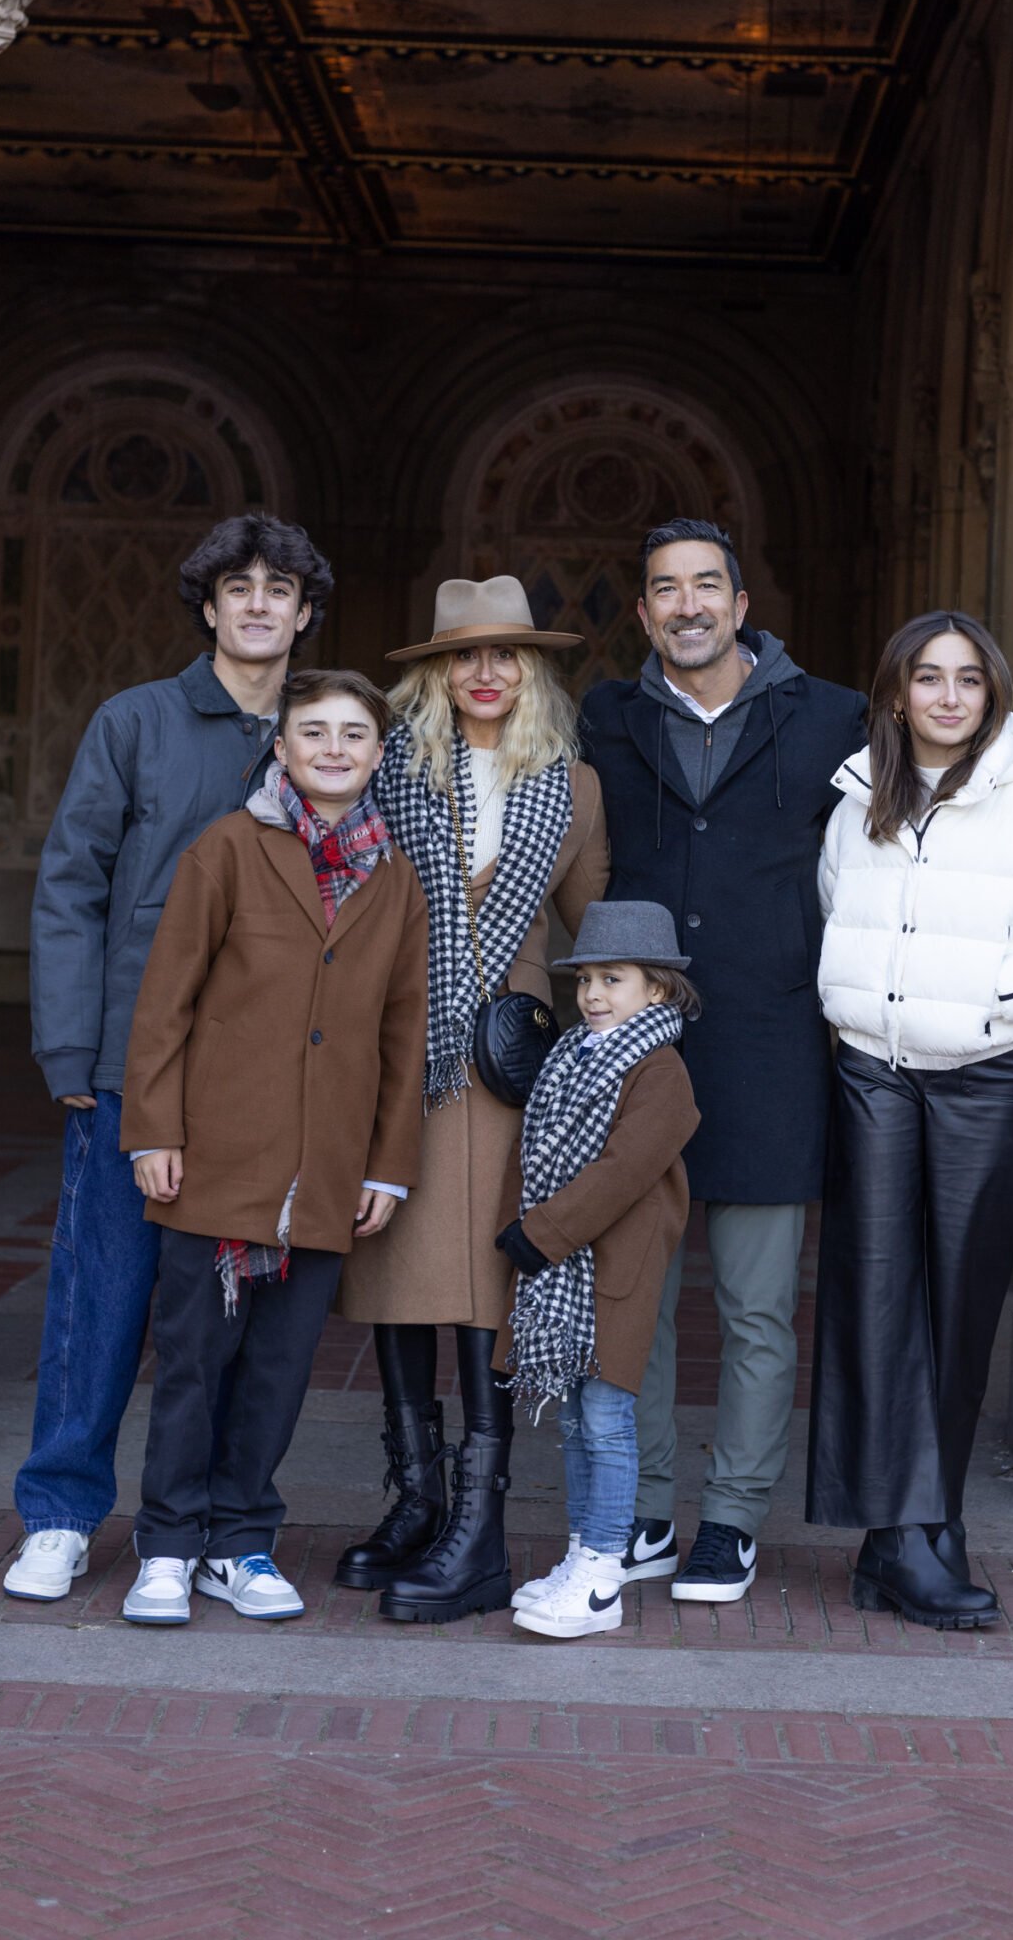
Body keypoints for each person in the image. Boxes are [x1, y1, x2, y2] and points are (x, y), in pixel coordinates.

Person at [3, 511, 333, 1605]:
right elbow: (70, 885)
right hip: (132, 1065)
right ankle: (57, 1512)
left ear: (302, 611)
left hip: (261, 1081)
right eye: (236, 587)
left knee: (230, 1322)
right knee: (102, 1292)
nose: (256, 603)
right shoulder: (136, 723)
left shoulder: (328, 732)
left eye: (277, 589)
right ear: (207, 606)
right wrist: (69, 1044)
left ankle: (210, 1530)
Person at [810, 611, 1013, 1627]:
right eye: (927, 677)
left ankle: (928, 1524)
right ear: (895, 693)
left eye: (967, 679)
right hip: (870, 1075)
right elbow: (838, 912)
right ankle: (896, 1537)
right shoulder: (856, 800)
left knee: (955, 1306)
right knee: (872, 1303)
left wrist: (987, 994)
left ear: (993, 693)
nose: (948, 696)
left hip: (974, 1080)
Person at [577, 520, 866, 1605]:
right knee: (635, 1296)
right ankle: (646, 1504)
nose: (686, 604)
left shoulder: (834, 716)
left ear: (742, 604)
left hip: (770, 1044)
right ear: (644, 612)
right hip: (637, 1049)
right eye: (664, 589)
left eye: (707, 585)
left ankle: (732, 1518)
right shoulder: (607, 716)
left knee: (755, 1308)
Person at [116, 668, 427, 1624]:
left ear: (379, 754)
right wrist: (153, 1132)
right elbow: (164, 1003)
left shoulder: (395, 874)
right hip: (218, 1158)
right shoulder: (229, 849)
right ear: (282, 748)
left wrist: (386, 1163)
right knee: (195, 1361)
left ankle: (242, 1539)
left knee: (279, 1372)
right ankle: (167, 1542)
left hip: (327, 1171)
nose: (334, 749)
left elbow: (404, 1028)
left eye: (354, 735)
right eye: (314, 733)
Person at [333, 576, 609, 1623]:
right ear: (436, 674)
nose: (484, 673)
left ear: (530, 671)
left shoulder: (572, 786)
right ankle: (417, 1500)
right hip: (401, 1054)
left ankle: (480, 1534)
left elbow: (595, 932)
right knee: (398, 1270)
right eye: (463, 656)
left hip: (505, 1070)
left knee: (485, 1289)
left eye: (505, 656)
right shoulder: (387, 771)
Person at [494, 901, 699, 1640]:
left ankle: (605, 1572)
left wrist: (540, 1234)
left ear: (659, 990)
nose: (592, 995)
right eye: (585, 979)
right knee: (578, 1421)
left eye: (613, 978)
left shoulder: (659, 1069)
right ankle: (583, 1551)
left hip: (612, 1268)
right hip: (569, 1269)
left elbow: (624, 1170)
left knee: (609, 1421)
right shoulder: (573, 1054)